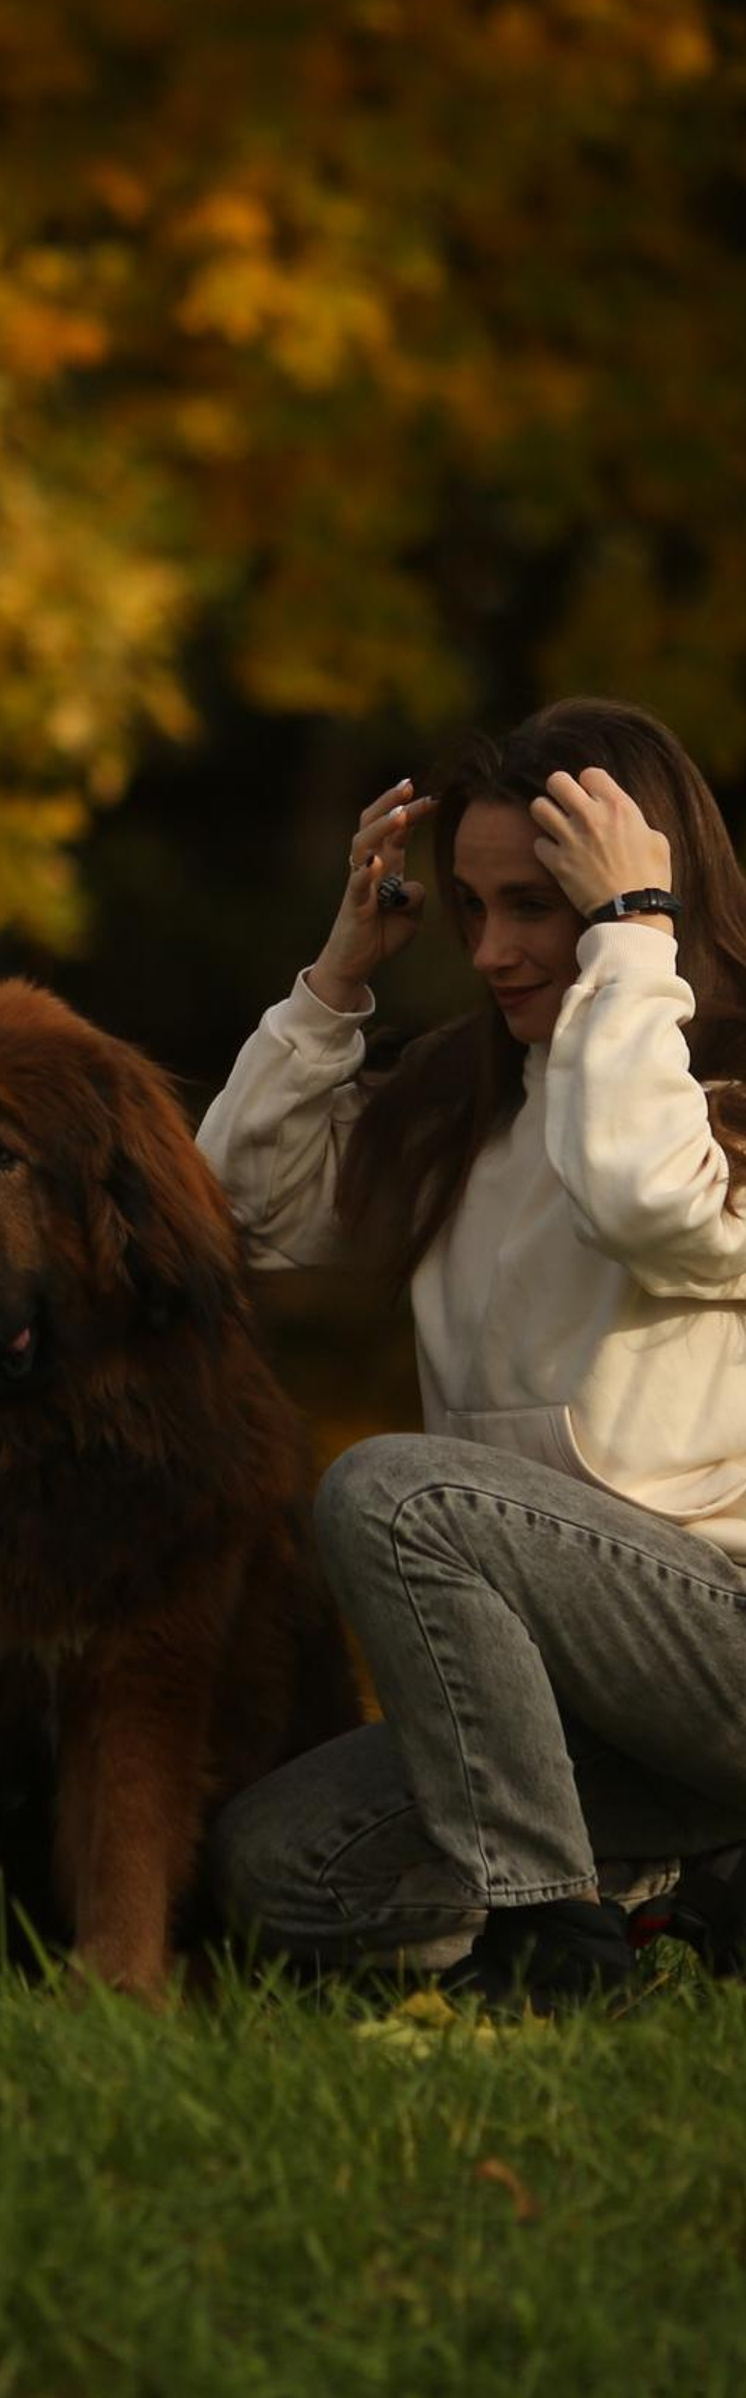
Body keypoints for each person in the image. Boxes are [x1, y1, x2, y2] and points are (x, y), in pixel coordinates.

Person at [198, 695, 746, 2008]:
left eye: (539, 907)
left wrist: (629, 944)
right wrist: (340, 976)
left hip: (718, 1645)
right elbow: (233, 1208)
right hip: (549, 1706)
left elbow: (638, 1199)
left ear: (638, 893)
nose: (495, 950)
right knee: (278, 1868)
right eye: (472, 908)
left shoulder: (713, 1092)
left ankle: (554, 1948)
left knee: (395, 1495)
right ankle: (678, 1889)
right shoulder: (465, 1100)